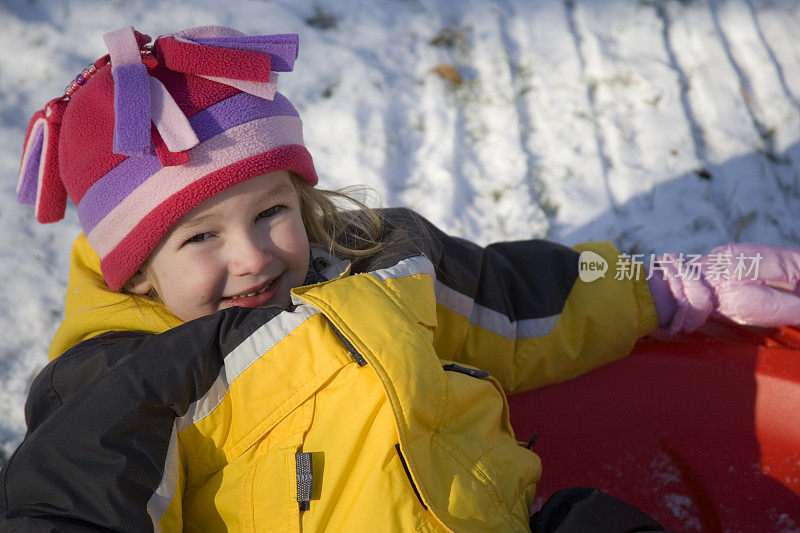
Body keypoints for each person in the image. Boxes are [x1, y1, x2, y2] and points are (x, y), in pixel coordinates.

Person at [1, 25, 798, 532]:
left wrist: (664, 281)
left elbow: (519, 300)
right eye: (201, 236)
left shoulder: (381, 261)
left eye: (271, 211)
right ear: (138, 269)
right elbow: (68, 501)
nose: (250, 256)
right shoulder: (128, 377)